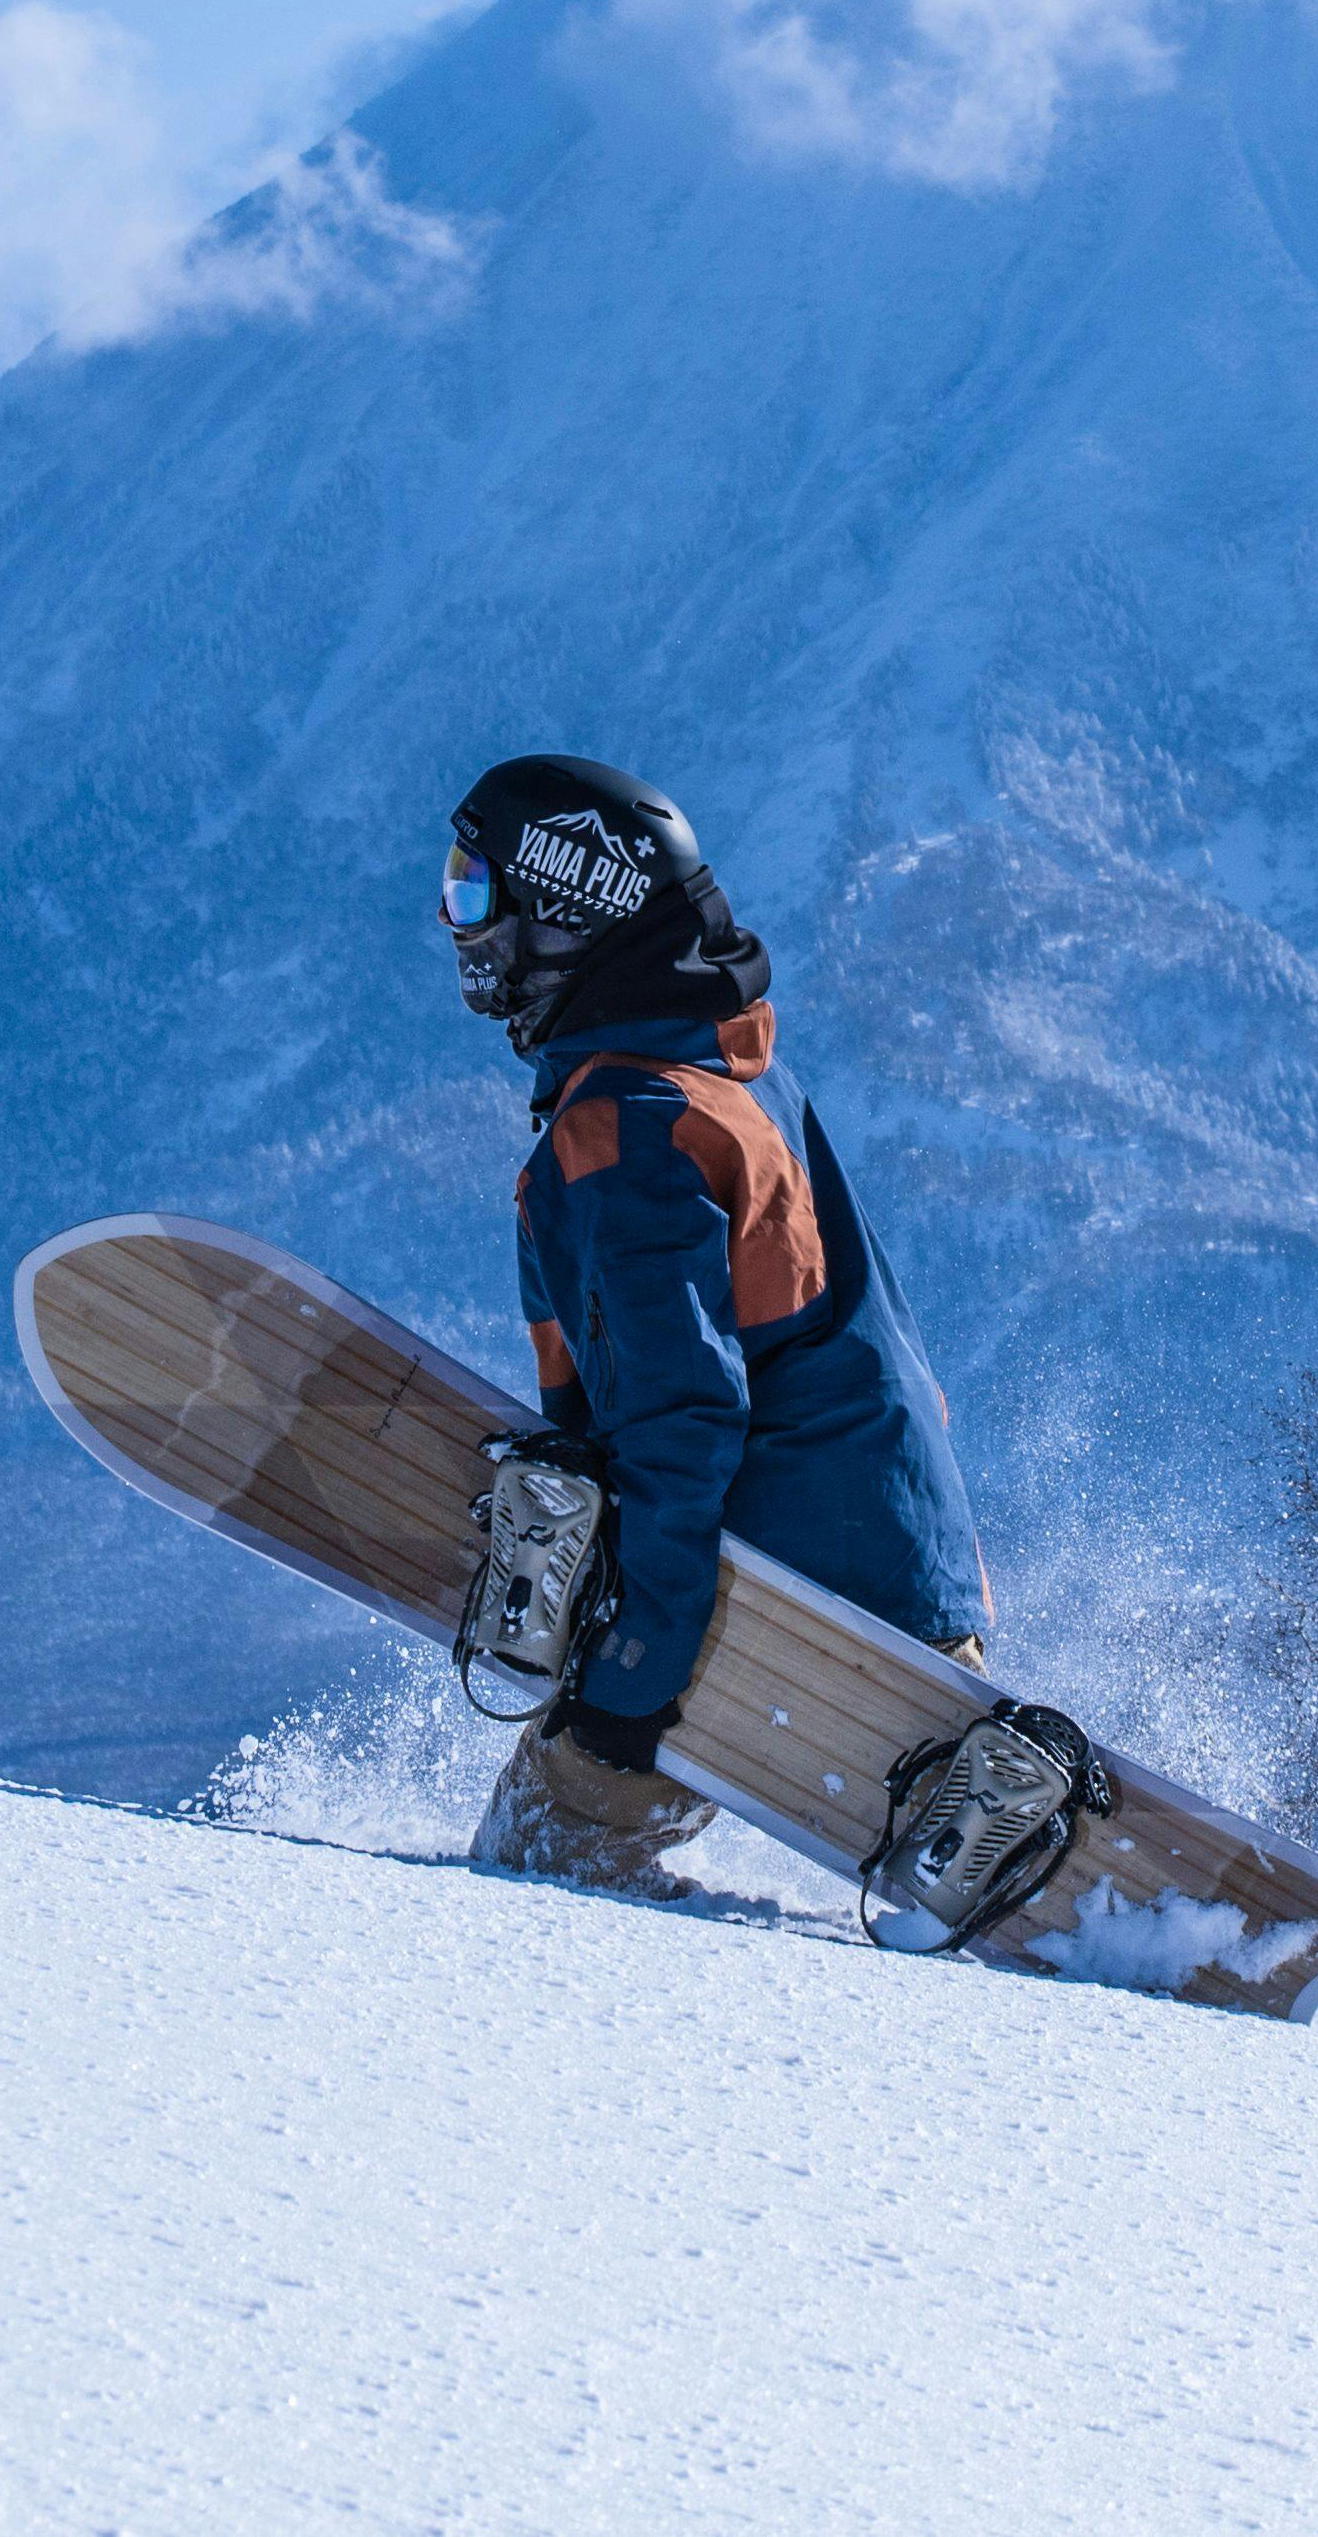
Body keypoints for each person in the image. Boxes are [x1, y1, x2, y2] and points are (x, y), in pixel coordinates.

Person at [438, 753, 991, 1898]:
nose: (457, 923)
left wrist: (630, 1674)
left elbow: (681, 1424)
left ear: (564, 907)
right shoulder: (722, 1078)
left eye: (475, 891)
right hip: (909, 1598)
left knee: (538, 1873)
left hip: (786, 1616)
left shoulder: (629, 1125)